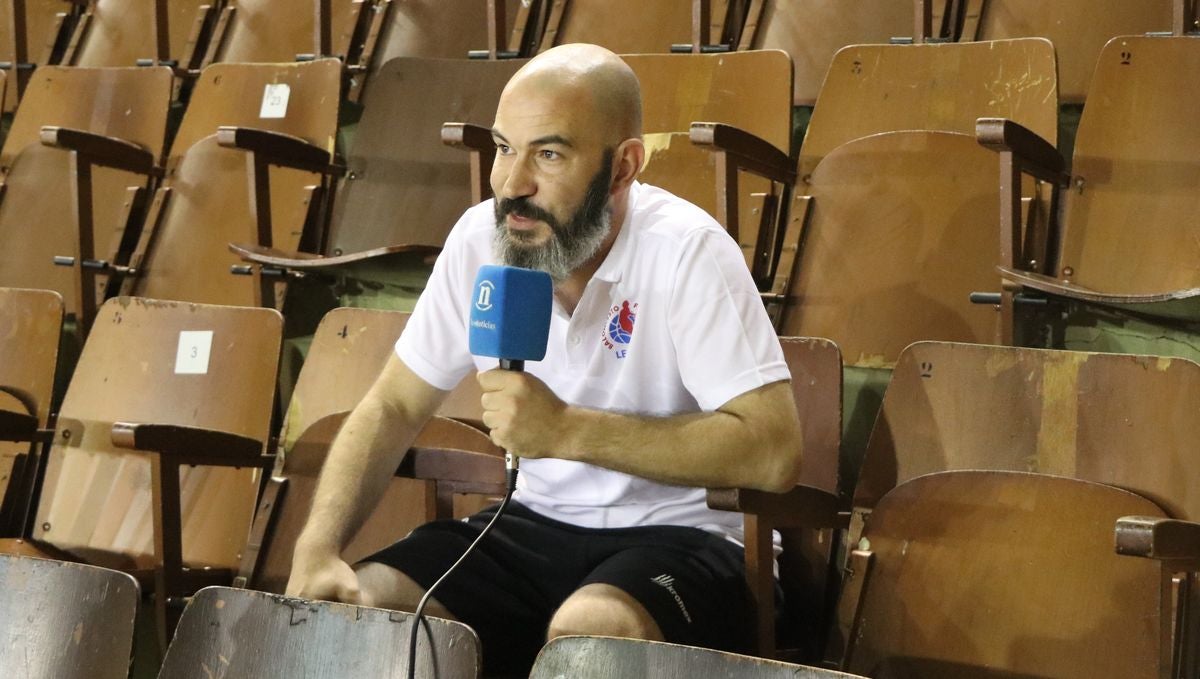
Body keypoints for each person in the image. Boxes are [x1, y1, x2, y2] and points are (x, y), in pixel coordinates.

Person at [287, 43, 804, 674]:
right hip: (532, 523)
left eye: (549, 154)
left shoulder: (686, 251)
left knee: (588, 632)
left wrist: (566, 430)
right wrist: (318, 548)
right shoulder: (482, 238)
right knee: (369, 612)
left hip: (690, 537)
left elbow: (773, 450)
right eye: (506, 147)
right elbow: (394, 405)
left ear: (624, 166)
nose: (512, 184)